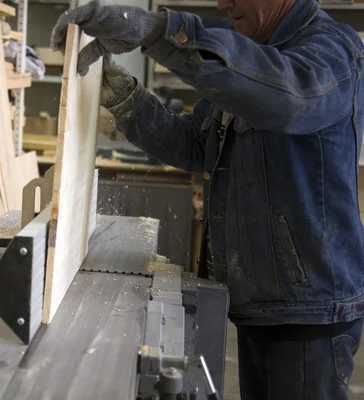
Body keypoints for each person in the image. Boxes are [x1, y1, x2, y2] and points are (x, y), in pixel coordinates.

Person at [51, 0, 364, 398]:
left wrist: (161, 30)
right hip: (262, 303)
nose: (223, 3)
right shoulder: (249, 56)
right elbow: (195, 145)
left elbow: (289, 99)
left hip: (310, 312)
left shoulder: (330, 49)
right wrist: (126, 97)